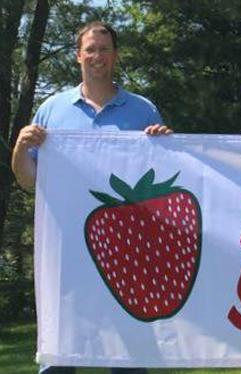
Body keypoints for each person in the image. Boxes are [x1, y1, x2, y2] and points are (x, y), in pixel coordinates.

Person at [11, 21, 172, 374]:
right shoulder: (52, 109)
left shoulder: (143, 109)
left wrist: (165, 144)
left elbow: (163, 173)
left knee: (128, 354)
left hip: (128, 248)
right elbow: (28, 181)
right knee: (60, 355)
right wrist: (21, 148)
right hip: (67, 251)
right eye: (91, 49)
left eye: (104, 49)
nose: (97, 56)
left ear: (114, 55)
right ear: (78, 55)